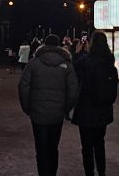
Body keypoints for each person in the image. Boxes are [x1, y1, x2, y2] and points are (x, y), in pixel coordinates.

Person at [18, 34, 80, 176]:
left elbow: (23, 86)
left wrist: (27, 107)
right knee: (53, 147)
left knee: (41, 148)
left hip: (37, 113)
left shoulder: (34, 63)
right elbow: (73, 89)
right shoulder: (67, 64)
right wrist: (66, 108)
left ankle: (43, 172)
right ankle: (52, 173)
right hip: (57, 113)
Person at [72, 32, 118, 176]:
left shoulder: (86, 61)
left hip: (86, 109)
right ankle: (102, 171)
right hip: (103, 109)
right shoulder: (109, 62)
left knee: (87, 146)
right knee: (99, 143)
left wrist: (77, 53)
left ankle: (90, 172)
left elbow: (74, 69)